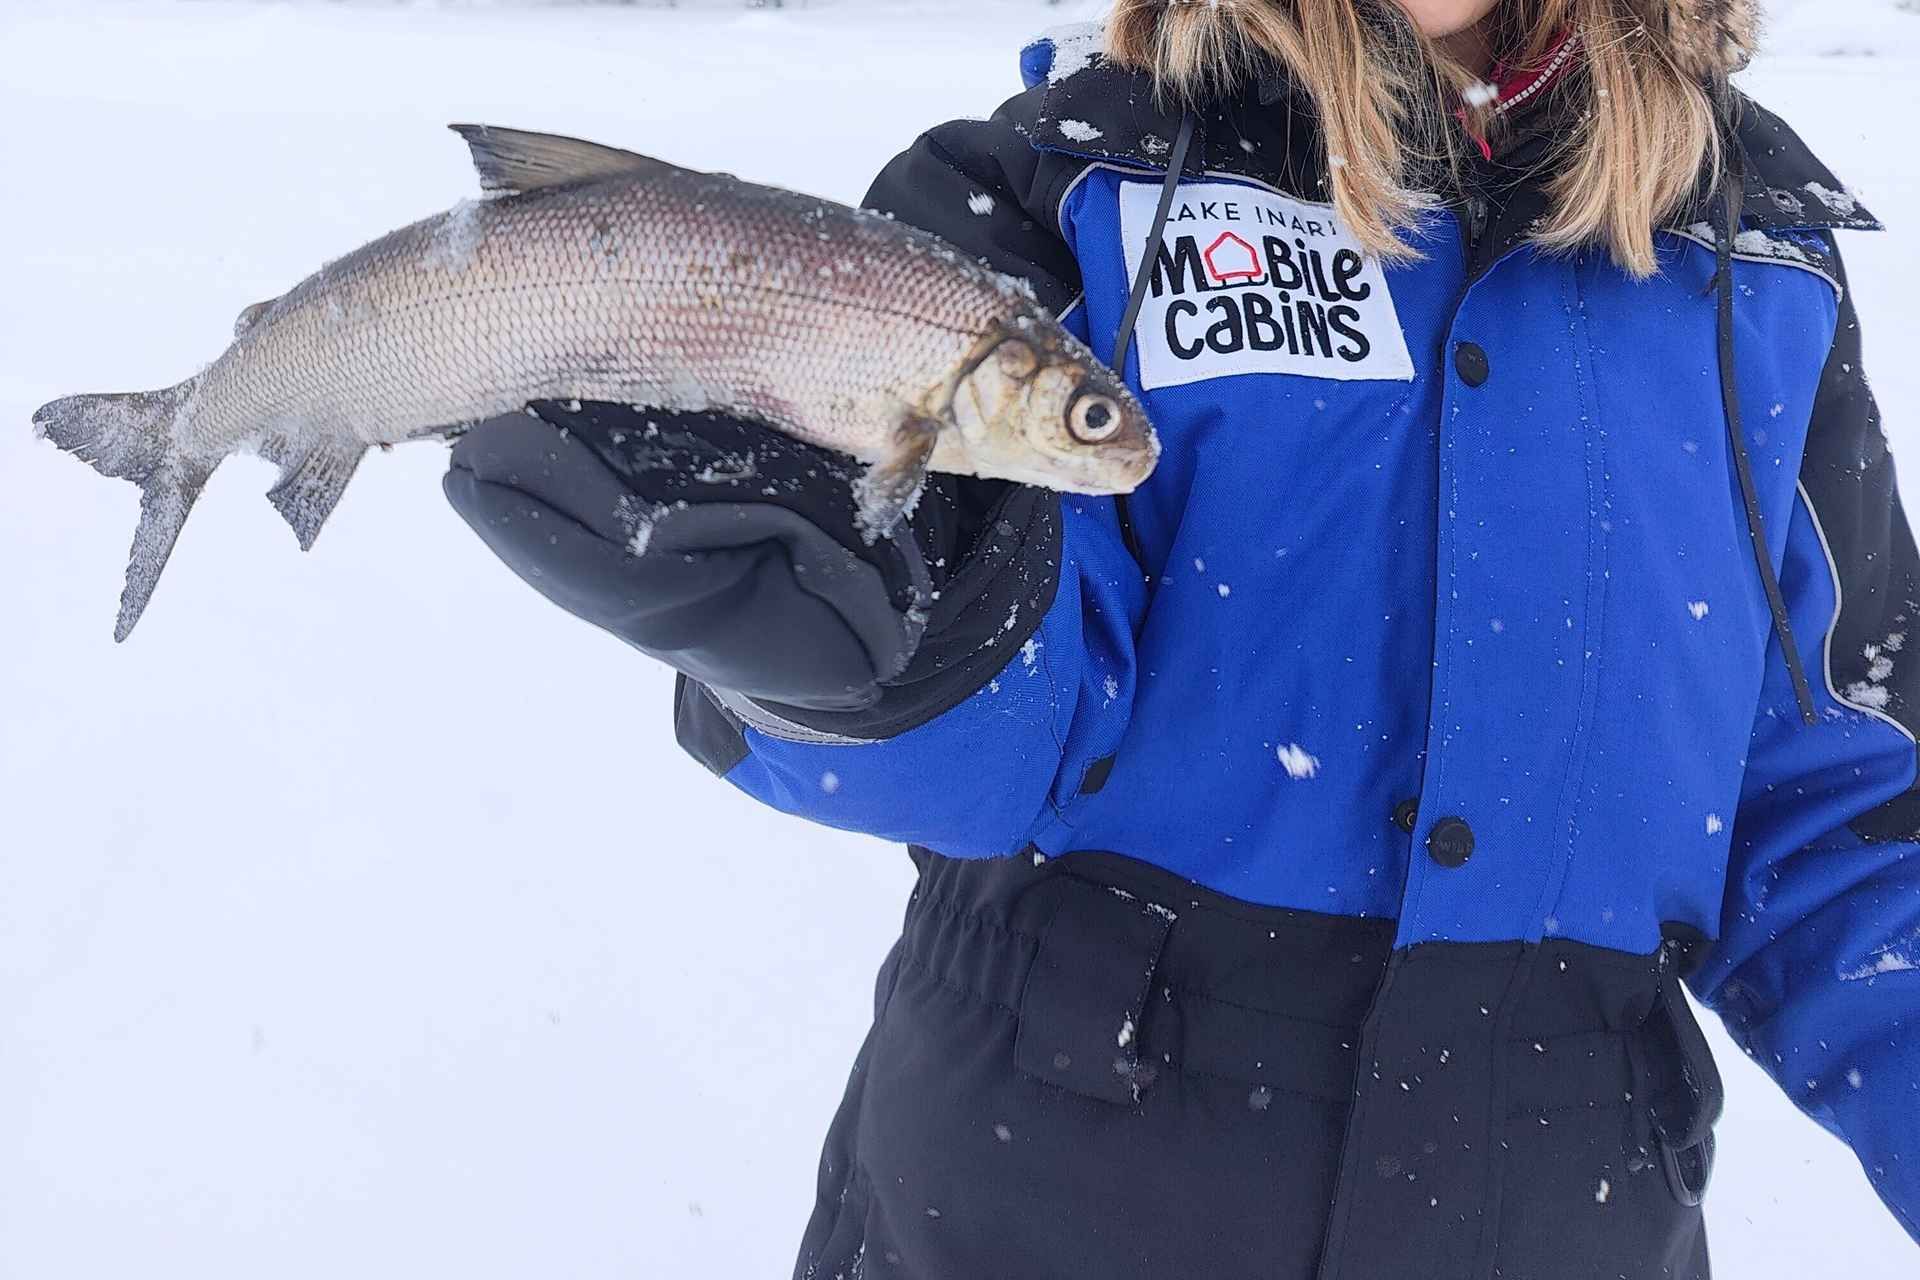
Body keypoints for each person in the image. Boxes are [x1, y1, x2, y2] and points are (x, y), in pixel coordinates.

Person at [440, 1, 1920, 1275]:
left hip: (1569, 1211)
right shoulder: (1074, 182)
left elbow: (1848, 810)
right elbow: (1007, 729)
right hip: (1038, 1194)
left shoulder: (1761, 271)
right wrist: (861, 667)